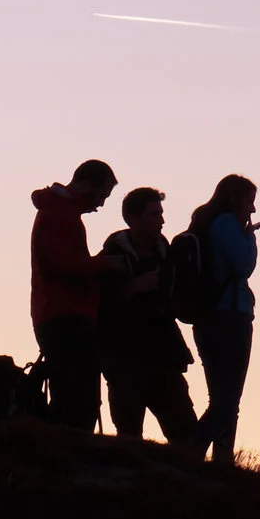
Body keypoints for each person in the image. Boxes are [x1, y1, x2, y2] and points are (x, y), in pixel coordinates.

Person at [97, 186, 198, 444]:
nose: (162, 220)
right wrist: (131, 289)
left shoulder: (167, 254)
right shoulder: (111, 257)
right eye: (154, 214)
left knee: (186, 434)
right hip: (124, 356)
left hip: (162, 354)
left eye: (160, 213)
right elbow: (97, 304)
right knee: (129, 435)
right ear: (133, 218)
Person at [28, 159, 119, 430]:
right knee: (78, 400)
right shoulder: (60, 213)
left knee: (72, 396)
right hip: (65, 315)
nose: (101, 204)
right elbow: (58, 264)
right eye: (102, 195)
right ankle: (68, 449)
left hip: (60, 313)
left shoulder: (59, 211)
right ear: (88, 184)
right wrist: (104, 264)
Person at [187, 175, 260, 466]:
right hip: (230, 316)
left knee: (220, 395)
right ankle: (206, 453)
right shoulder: (227, 224)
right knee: (228, 397)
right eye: (250, 201)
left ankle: (209, 455)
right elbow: (244, 266)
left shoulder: (204, 222)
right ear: (235, 199)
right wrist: (249, 236)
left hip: (207, 317)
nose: (252, 209)